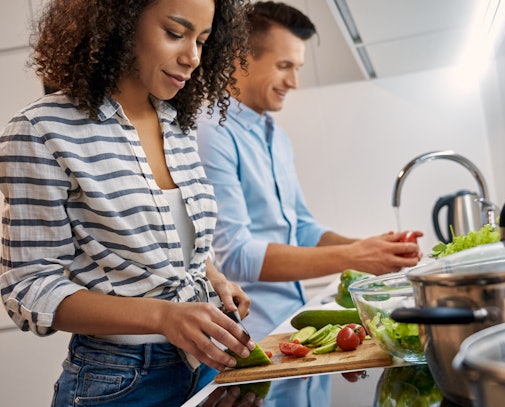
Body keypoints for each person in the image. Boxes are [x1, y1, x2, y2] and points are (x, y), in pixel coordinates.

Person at [0, 0, 261, 405]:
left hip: (206, 361)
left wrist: (214, 279)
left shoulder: (178, 123)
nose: (192, 57)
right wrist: (163, 316)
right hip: (119, 381)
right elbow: (29, 287)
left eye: (203, 40)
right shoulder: (40, 130)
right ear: (119, 24)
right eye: (175, 33)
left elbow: (171, 242)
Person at [196, 2, 423, 406]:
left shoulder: (276, 138)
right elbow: (237, 257)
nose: (295, 82)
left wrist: (373, 249)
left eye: (297, 68)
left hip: (295, 334)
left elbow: (302, 227)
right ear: (240, 58)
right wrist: (354, 255)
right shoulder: (212, 134)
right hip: (256, 343)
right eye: (285, 65)